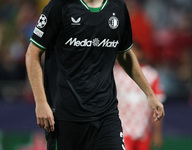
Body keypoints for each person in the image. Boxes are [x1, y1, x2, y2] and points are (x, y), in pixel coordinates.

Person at [25, 0, 165, 149]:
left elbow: (124, 54)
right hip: (64, 116)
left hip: (106, 115)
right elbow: (32, 54)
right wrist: (40, 102)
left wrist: (149, 94)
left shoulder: (118, 7)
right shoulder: (59, 6)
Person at [114, 43, 166, 150]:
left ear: (141, 53)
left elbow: (157, 106)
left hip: (142, 130)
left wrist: (157, 133)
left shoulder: (151, 74)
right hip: (121, 128)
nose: (131, 54)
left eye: (134, 51)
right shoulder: (115, 73)